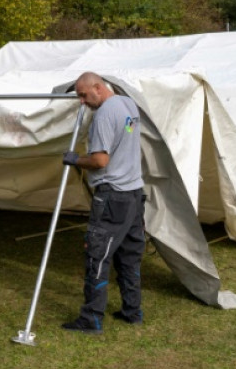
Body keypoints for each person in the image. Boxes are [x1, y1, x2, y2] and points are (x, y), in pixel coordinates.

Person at [60, 72, 145, 334]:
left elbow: (99, 161)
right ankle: (132, 311)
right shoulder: (127, 103)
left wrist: (74, 159)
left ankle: (91, 319)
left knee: (98, 255)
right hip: (134, 193)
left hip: (113, 195)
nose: (83, 102)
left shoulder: (105, 115)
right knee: (129, 257)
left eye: (84, 95)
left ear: (97, 87)